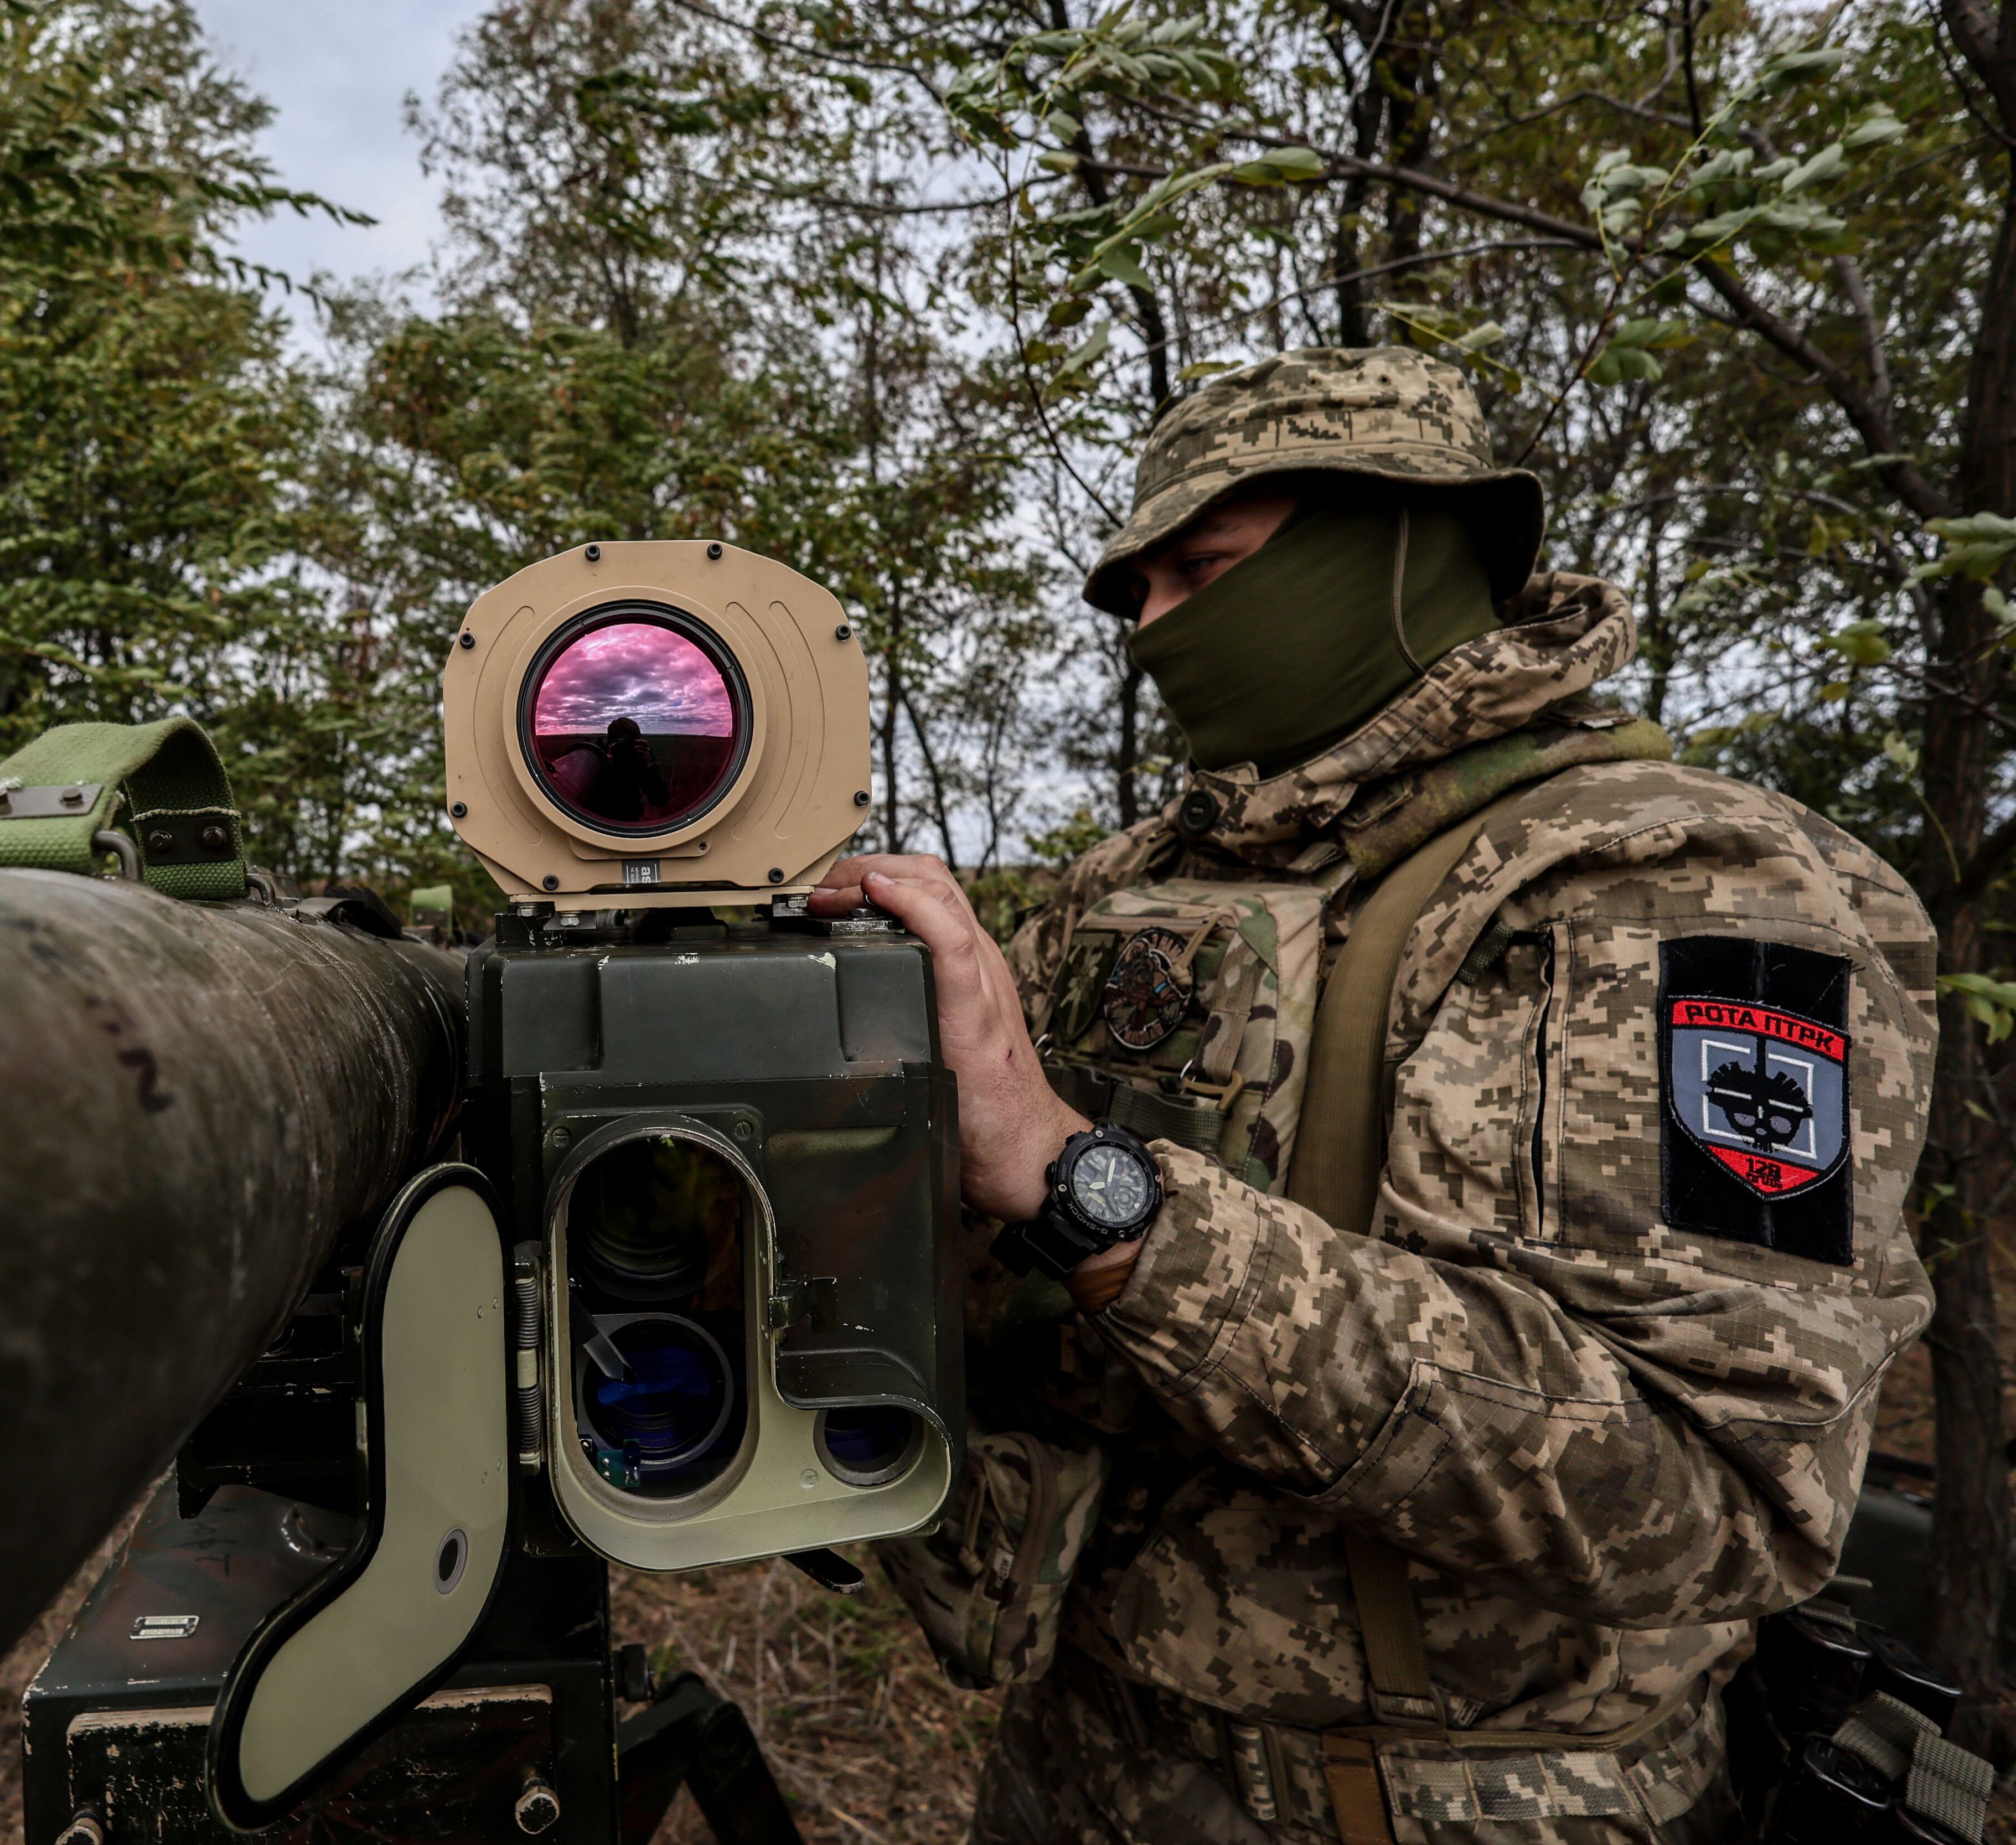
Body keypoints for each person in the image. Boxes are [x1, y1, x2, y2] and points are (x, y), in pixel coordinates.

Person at [811, 347, 1936, 1845]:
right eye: (1132, 594)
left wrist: (1094, 1189)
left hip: (1425, 1805)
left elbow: (1700, 1486)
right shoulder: (1136, 889)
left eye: (1200, 569)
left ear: (1393, 545)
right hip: (1083, 1757)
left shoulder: (1686, 894)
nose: (1152, 630)